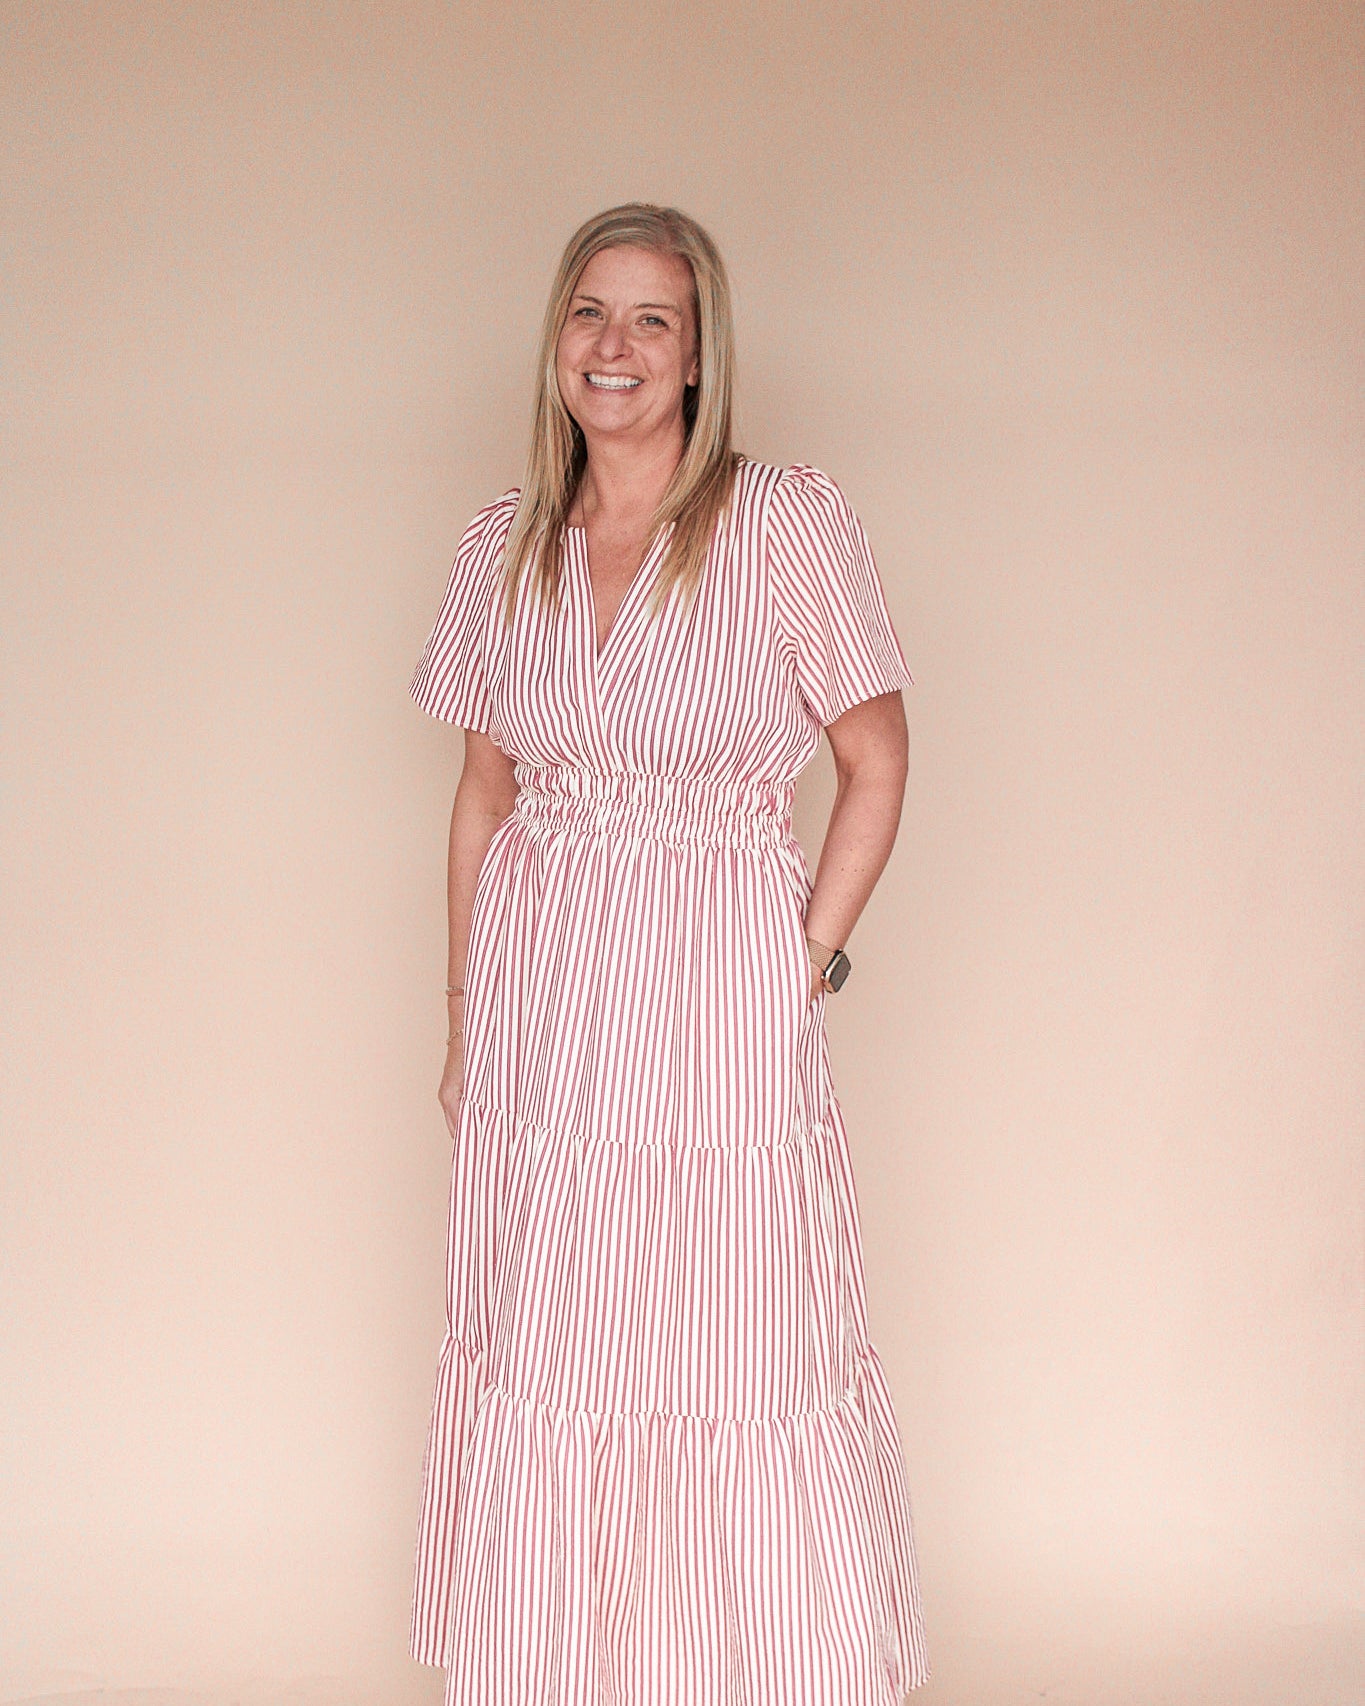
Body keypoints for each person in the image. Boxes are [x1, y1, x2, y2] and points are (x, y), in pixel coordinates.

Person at [407, 203, 929, 1704]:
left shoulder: (785, 523)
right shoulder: (502, 545)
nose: (614, 346)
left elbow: (877, 759)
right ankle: (561, 1667)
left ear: (700, 355)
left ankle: (758, 1670)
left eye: (652, 319)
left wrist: (800, 965)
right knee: (551, 1326)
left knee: (731, 1327)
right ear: (554, 342)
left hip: (714, 982)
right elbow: (484, 792)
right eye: (589, 312)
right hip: (542, 999)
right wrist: (466, 1015)